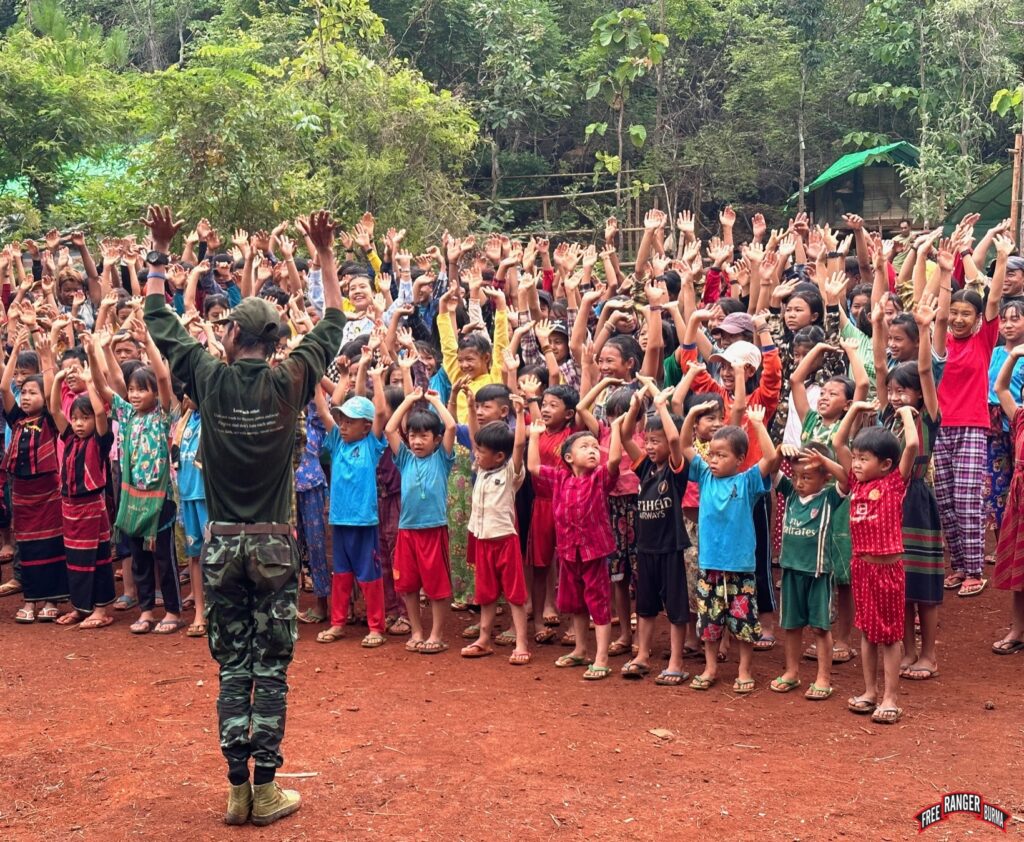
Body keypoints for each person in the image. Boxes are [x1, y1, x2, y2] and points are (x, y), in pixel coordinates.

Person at [143, 206, 345, 826]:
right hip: (275, 547)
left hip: (222, 544)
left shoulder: (207, 376)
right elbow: (336, 316)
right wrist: (325, 255)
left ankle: (236, 789)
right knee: (270, 667)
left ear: (232, 337)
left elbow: (157, 316)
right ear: (279, 341)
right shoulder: (293, 378)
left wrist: (158, 251)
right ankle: (267, 789)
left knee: (232, 665)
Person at [681, 403, 780, 694]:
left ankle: (744, 670)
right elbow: (685, 444)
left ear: (739, 459)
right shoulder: (705, 476)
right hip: (710, 566)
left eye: (721, 455)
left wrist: (759, 424)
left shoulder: (748, 481)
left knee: (744, 623)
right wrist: (690, 414)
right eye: (711, 454)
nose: (712, 460)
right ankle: (710, 668)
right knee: (709, 622)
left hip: (740, 567)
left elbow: (771, 458)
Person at [834, 402, 919, 725]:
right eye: (855, 458)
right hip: (862, 566)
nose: (855, 463)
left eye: (863, 459)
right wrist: (854, 409)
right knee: (867, 633)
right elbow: (839, 443)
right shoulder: (858, 484)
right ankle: (870, 692)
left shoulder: (894, 482)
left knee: (891, 635)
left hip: (887, 569)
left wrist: (908, 416)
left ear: (885, 464)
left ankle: (890, 698)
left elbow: (910, 445)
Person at [934, 235, 1008, 598]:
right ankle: (958, 565)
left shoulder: (983, 339)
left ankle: (975, 569)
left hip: (973, 427)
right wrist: (947, 274)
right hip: (940, 428)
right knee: (945, 500)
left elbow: (993, 298)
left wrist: (1004, 257)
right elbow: (941, 313)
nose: (959, 320)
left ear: (979, 320)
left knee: (966, 498)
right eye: (955, 315)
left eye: (968, 314)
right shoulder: (941, 343)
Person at [528, 414, 624, 681]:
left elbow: (614, 460)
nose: (593, 451)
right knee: (575, 604)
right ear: (568, 458)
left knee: (599, 604)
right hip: (569, 551)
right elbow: (534, 467)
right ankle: (581, 650)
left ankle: (601, 657)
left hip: (595, 551)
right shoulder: (560, 478)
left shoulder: (600, 478)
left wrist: (614, 430)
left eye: (595, 447)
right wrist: (534, 436)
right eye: (585, 447)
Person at [619, 383, 691, 686]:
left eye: (655, 441)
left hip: (670, 547)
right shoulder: (646, 467)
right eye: (647, 440)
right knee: (645, 606)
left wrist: (661, 404)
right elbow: (624, 436)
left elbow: (675, 438)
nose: (649, 446)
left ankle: (676, 661)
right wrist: (636, 403)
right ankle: (643, 655)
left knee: (676, 608)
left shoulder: (676, 469)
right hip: (646, 548)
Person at [314, 373, 389, 648]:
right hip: (340, 519)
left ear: (366, 427)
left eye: (350, 421)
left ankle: (376, 627)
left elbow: (381, 411)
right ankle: (337, 623)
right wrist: (313, 378)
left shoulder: (370, 444)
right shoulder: (336, 443)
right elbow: (322, 409)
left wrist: (377, 379)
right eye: (342, 420)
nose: (343, 426)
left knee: (369, 576)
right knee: (342, 574)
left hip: (363, 520)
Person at [770, 443, 847, 700]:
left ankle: (823, 677)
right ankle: (792, 672)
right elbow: (771, 469)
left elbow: (847, 480)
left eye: (807, 476)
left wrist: (825, 462)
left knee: (820, 628)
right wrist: (780, 451)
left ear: (824, 478)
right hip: (790, 570)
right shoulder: (790, 493)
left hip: (818, 573)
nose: (799, 482)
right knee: (791, 626)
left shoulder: (828, 497)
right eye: (796, 475)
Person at [384, 386, 457, 654]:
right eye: (413, 436)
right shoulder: (404, 458)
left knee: (437, 586)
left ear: (435, 439)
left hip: (433, 529)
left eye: (424, 436)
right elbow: (390, 429)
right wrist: (409, 400)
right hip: (407, 530)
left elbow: (450, 427)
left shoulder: (442, 459)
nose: (416, 441)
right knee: (409, 584)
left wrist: (436, 403)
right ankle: (416, 631)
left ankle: (436, 634)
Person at [2, 330, 67, 623]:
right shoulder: (17, 420)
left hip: (48, 490)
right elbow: (4, 388)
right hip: (22, 492)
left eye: (33, 392)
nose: (26, 397)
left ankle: (51, 600)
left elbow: (54, 389)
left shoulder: (50, 421)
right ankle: (30, 600)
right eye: (24, 392)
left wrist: (44, 356)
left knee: (51, 543)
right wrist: (14, 350)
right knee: (26, 545)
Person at [461, 400, 530, 664]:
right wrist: (469, 408)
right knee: (485, 593)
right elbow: (472, 434)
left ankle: (522, 642)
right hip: (481, 539)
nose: (475, 454)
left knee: (514, 594)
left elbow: (519, 446)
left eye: (481, 451)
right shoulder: (481, 468)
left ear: (499, 456)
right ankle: (483, 639)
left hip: (504, 540)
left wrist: (521, 414)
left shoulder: (512, 472)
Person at [49, 358, 115, 628]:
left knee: (96, 557)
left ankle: (101, 609)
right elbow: (54, 410)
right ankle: (80, 607)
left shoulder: (99, 440)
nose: (77, 423)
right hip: (70, 506)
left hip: (91, 505)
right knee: (74, 559)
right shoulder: (69, 438)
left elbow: (101, 415)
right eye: (75, 418)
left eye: (83, 418)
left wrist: (89, 382)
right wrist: (57, 379)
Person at [991, 344, 1024, 654]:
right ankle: (1017, 629)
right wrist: (1013, 356)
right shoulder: (1021, 418)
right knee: (1019, 569)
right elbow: (999, 387)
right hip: (1021, 500)